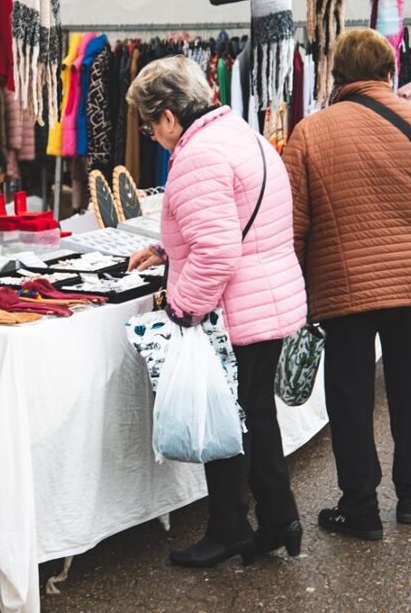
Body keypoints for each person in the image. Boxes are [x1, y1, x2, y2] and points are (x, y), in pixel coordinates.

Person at [282, 28, 411, 541]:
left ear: (336, 76)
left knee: (350, 398)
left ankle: (359, 508)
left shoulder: (309, 133)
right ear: (388, 72)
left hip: (343, 288)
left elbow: (292, 225)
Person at [126, 56, 307, 567]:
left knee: (225, 422)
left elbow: (218, 252)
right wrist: (167, 251)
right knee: (254, 417)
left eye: (148, 124)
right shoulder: (238, 133)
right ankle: (278, 518)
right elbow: (231, 223)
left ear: (166, 115)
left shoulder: (197, 155)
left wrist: (181, 309)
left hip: (235, 312)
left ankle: (230, 528)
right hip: (268, 301)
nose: (151, 136)